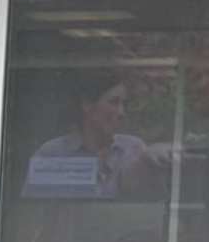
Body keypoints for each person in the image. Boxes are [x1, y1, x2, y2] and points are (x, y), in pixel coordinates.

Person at [24, 76, 160, 199]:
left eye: (123, 104)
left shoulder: (134, 148)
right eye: (113, 102)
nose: (121, 112)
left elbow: (152, 201)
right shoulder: (52, 153)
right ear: (87, 104)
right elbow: (32, 209)